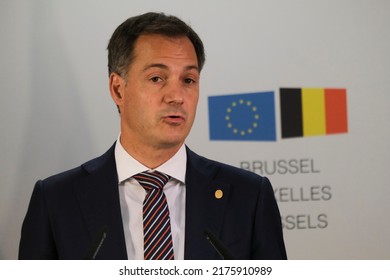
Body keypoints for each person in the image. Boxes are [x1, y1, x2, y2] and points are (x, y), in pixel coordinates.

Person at [19, 12, 287, 260]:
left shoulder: (248, 196)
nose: (176, 96)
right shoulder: (56, 200)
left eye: (188, 80)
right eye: (157, 78)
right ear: (118, 89)